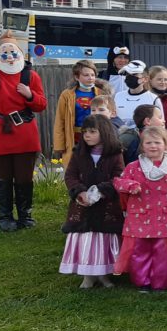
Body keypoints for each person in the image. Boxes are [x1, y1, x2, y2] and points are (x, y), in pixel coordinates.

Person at [0, 30, 48, 232]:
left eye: (12, 52)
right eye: (5, 52)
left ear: (19, 53)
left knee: (25, 177)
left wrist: (29, 94)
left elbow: (41, 104)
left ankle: (25, 215)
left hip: (24, 132)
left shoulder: (30, 75)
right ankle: (5, 217)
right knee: (3, 177)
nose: (9, 56)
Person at [112, 126, 167, 292]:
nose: (153, 146)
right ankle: (143, 282)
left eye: (157, 142)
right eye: (148, 142)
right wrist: (130, 185)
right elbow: (119, 182)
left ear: (166, 144)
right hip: (139, 217)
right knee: (138, 251)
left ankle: (161, 283)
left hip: (166, 218)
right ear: (142, 145)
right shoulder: (133, 167)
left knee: (163, 254)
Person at [59, 115, 124, 288]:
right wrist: (79, 192)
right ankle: (87, 276)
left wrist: (103, 191)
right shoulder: (78, 153)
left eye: (92, 131)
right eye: (85, 131)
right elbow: (70, 175)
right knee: (86, 240)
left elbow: (119, 176)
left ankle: (103, 274)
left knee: (103, 240)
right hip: (83, 207)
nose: (87, 135)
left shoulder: (115, 154)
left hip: (106, 207)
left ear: (104, 132)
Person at [53, 60, 108, 167]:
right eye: (86, 75)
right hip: (75, 137)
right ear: (77, 77)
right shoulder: (67, 95)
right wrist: (59, 144)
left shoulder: (102, 93)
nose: (90, 77)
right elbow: (60, 120)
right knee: (76, 168)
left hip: (98, 136)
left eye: (93, 75)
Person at [114, 61, 162, 129]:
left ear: (145, 79)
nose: (130, 77)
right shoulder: (118, 96)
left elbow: (161, 125)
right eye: (128, 74)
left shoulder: (153, 99)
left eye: (134, 74)